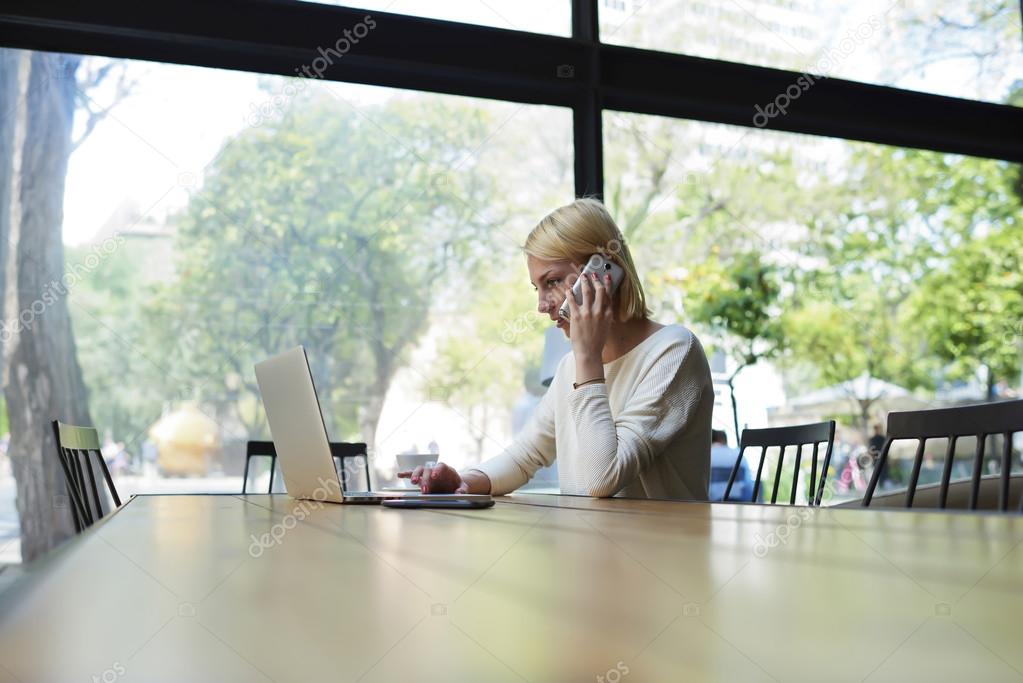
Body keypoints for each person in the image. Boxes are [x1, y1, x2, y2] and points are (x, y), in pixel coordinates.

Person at [399, 198, 714, 499]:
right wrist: (463, 482)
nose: (540, 305)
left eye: (552, 282)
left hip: (666, 552)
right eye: (537, 287)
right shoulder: (570, 367)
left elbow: (602, 479)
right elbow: (527, 455)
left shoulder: (673, 351)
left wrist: (587, 356)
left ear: (605, 272)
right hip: (593, 550)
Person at [708, 429, 753, 501]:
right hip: (740, 505)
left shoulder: (706, 456)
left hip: (713, 505)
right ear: (723, 440)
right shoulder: (739, 454)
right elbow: (748, 485)